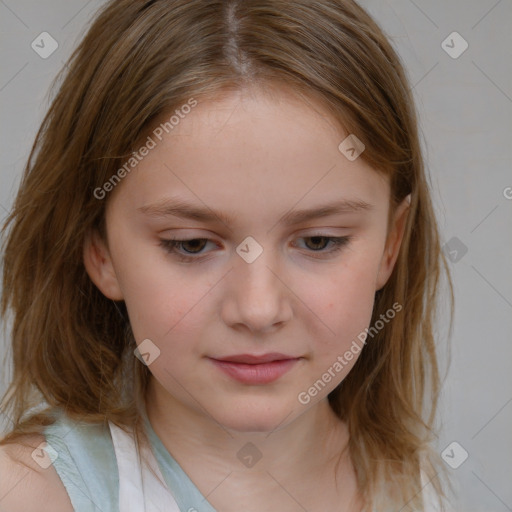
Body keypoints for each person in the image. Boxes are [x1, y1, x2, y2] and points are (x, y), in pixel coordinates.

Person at [0, 0, 454, 510]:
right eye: (191, 245)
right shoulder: (26, 494)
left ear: (391, 244)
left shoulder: (413, 485)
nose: (258, 310)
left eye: (319, 241)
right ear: (98, 248)